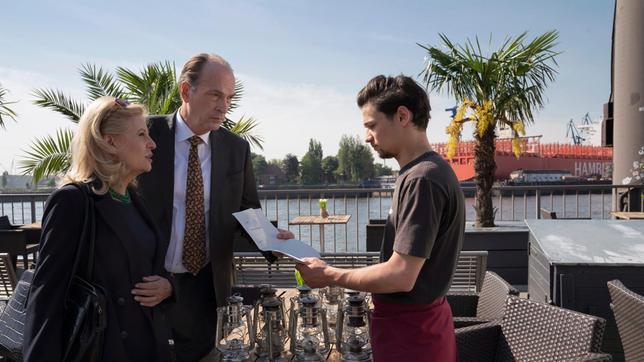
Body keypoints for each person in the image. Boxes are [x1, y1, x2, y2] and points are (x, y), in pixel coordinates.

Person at [296, 75, 465, 361]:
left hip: (414, 337)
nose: (366, 136)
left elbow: (401, 275)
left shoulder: (423, 179)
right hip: (414, 329)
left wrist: (330, 276)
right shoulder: (422, 172)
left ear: (402, 116)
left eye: (371, 125)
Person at [137, 53, 293, 362]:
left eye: (229, 98)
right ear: (186, 92)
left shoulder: (236, 148)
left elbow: (248, 212)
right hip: (149, 285)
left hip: (205, 289)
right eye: (215, 95)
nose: (224, 106)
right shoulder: (146, 135)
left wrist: (271, 242)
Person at [24, 97, 174, 361]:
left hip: (148, 347)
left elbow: (144, 265)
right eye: (141, 135)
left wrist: (168, 287)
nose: (152, 144)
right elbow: (47, 295)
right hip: (103, 349)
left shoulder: (135, 200)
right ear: (109, 141)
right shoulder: (73, 201)